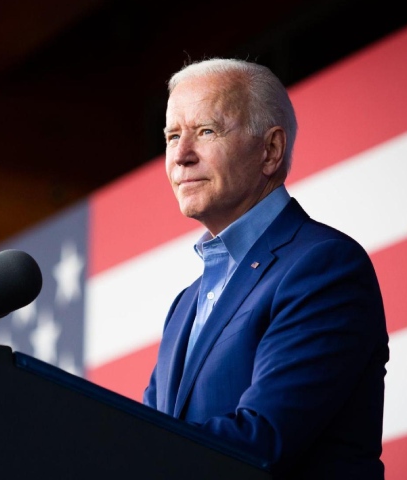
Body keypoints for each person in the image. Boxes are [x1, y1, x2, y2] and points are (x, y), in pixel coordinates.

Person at [142, 58, 389, 479]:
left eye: (206, 131)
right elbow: (143, 435)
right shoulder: (184, 306)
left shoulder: (324, 267)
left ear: (270, 150)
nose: (181, 156)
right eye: (172, 136)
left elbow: (261, 442)